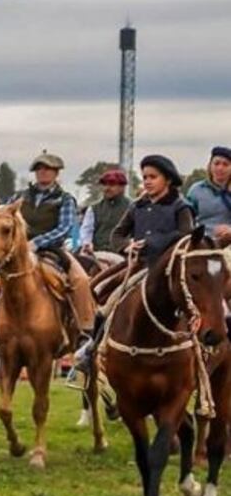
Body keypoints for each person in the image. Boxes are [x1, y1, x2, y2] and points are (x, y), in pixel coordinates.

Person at [77, 155, 194, 373]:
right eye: (145, 177)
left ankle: (201, 351)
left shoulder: (181, 207)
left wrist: (152, 242)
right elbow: (117, 234)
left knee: (196, 305)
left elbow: (186, 234)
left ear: (167, 180)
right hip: (140, 267)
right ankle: (91, 350)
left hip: (172, 270)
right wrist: (127, 246)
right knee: (104, 300)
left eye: (153, 177)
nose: (147, 181)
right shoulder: (138, 206)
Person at [0, 151, 96, 362]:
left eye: (47, 169)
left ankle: (85, 333)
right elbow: (1, 220)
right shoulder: (18, 198)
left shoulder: (65, 199)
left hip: (53, 250)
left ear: (56, 173)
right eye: (39, 169)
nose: (43, 173)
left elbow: (65, 228)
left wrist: (37, 243)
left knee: (81, 280)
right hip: (16, 253)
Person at [79, 168, 131, 253]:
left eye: (112, 185)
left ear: (122, 187)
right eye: (105, 185)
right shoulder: (94, 208)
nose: (107, 188)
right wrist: (87, 243)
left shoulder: (133, 207)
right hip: (96, 253)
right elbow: (86, 230)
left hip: (123, 254)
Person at [186, 146, 231, 242]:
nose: (220, 168)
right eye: (216, 163)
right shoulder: (196, 190)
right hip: (204, 242)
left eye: (225, 164)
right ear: (210, 166)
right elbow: (188, 219)